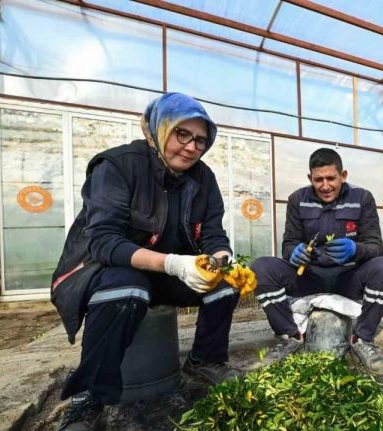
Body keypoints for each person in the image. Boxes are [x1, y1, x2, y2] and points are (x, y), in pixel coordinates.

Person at [51, 93, 253, 430]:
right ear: (159, 129)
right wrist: (175, 264)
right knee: (128, 290)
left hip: (165, 272)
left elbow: (214, 234)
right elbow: (103, 242)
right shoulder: (118, 165)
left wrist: (223, 261)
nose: (191, 147)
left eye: (201, 140)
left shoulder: (204, 179)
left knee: (226, 284)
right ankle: (90, 396)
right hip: (106, 270)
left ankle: (206, 360)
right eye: (182, 134)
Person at [250, 148, 383, 374]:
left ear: (343, 175)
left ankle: (363, 340)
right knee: (261, 268)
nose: (325, 185)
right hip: (308, 278)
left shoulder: (362, 199)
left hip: (348, 279)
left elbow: (375, 247)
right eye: (318, 179)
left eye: (331, 178)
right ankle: (289, 336)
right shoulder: (297, 200)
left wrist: (355, 250)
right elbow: (288, 244)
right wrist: (293, 253)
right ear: (310, 178)